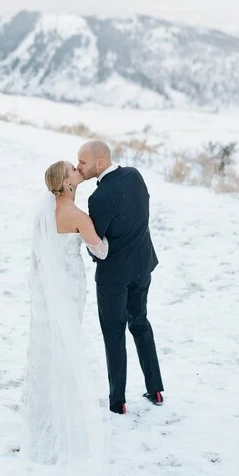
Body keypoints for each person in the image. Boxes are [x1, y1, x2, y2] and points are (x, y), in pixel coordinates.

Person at [20, 161, 109, 475]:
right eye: (73, 169)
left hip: (47, 289)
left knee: (51, 344)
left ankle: (46, 409)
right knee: (67, 345)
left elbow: (36, 254)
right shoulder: (76, 215)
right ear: (67, 183)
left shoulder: (45, 214)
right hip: (69, 287)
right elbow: (101, 251)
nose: (78, 170)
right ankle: (65, 411)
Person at [77, 140, 164, 415]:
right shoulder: (135, 176)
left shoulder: (98, 198)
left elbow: (97, 244)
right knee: (140, 322)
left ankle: (118, 402)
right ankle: (156, 390)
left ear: (99, 163)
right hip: (143, 265)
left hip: (114, 276)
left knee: (114, 333)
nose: (79, 166)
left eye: (82, 162)